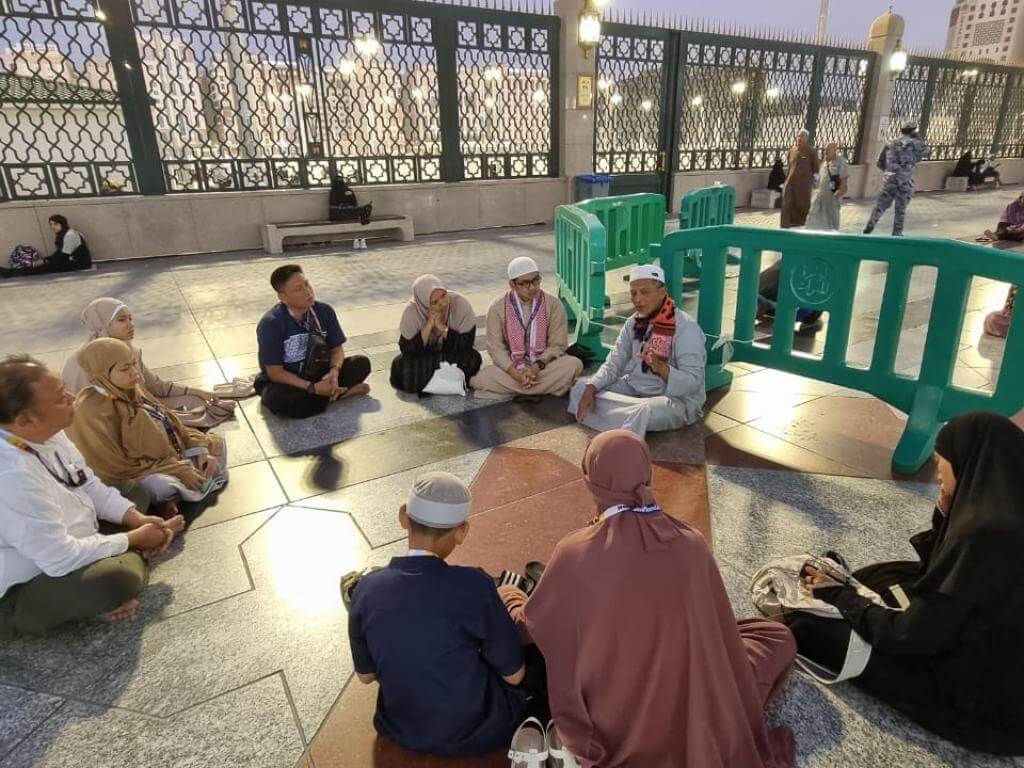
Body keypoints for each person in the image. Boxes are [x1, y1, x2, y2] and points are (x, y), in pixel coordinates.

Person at [499, 430, 796, 767]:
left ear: (591, 481)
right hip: (697, 691)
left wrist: (510, 594)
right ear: (648, 472)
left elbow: (532, 625)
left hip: (618, 708)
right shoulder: (690, 541)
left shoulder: (575, 553)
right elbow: (717, 627)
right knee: (776, 635)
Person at [787, 412, 1024, 755]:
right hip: (983, 652)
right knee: (888, 575)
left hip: (983, 706)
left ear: (968, 464)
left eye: (943, 462)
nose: (939, 472)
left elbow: (907, 636)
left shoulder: (984, 533)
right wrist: (944, 514)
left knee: (807, 626)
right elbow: (936, 572)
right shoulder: (1006, 504)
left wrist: (840, 596)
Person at [0, 355, 182, 638]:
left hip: (70, 534)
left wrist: (137, 519)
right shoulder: (11, 475)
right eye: (61, 397)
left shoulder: (45, 433)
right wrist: (135, 538)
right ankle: (116, 572)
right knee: (118, 580)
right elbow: (59, 558)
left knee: (134, 492)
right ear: (26, 420)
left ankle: (122, 555)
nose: (72, 397)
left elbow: (88, 484)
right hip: (28, 581)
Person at [347, 471, 527, 757]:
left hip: (399, 727)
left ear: (404, 517)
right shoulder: (474, 584)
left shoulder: (365, 589)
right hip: (479, 730)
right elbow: (515, 675)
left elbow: (366, 676)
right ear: (461, 531)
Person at [66, 338, 228, 508]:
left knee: (217, 448)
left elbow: (171, 423)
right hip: (143, 473)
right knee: (160, 487)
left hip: (171, 457)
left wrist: (199, 452)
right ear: (103, 374)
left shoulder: (130, 388)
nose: (135, 372)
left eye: (134, 364)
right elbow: (116, 468)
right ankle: (186, 486)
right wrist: (177, 469)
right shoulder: (90, 411)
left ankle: (190, 484)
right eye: (125, 368)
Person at [568, 264, 706, 437]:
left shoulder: (686, 327)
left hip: (673, 399)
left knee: (644, 410)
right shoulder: (633, 323)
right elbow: (613, 363)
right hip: (634, 389)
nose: (638, 299)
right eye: (634, 293)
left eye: (645, 292)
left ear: (662, 291)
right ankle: (626, 423)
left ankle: (619, 421)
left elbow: (693, 383)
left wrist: (662, 368)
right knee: (581, 389)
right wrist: (592, 387)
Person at [62, 297, 234, 428]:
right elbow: (105, 407)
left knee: (198, 402)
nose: (130, 325)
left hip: (141, 406)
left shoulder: (129, 351)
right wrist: (153, 412)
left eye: (130, 318)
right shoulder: (87, 362)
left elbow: (155, 386)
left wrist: (199, 391)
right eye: (122, 320)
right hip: (114, 421)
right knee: (176, 420)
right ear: (102, 325)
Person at [255, 265, 371, 418]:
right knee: (278, 399)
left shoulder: (324, 311)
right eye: (298, 289)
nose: (308, 291)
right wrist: (312, 388)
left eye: (307, 284)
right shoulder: (271, 323)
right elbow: (275, 373)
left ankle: (326, 394)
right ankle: (337, 395)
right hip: (288, 381)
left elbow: (337, 350)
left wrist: (333, 372)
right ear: (282, 297)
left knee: (361, 363)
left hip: (319, 373)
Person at [470, 257, 583, 398]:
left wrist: (535, 368)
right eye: (525, 283)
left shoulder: (553, 304)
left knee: (574, 364)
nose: (532, 287)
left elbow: (557, 344)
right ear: (512, 284)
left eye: (536, 280)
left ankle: (521, 389)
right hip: (512, 369)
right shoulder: (497, 308)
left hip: (543, 366)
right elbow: (496, 348)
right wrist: (516, 375)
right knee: (483, 377)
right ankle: (547, 387)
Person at [389, 275, 481, 395]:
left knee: (473, 358)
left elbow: (466, 343)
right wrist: (429, 325)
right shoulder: (412, 312)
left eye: (443, 295)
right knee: (401, 365)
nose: (443, 303)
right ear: (424, 303)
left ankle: (430, 384)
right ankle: (446, 383)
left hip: (450, 356)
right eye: (434, 302)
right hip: (424, 358)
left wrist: (441, 327)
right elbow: (407, 350)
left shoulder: (460, 303)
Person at [864, 122, 930, 237]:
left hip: (890, 180)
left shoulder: (891, 143)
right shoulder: (916, 144)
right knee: (900, 209)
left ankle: (871, 224)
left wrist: (890, 170)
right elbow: (927, 153)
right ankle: (897, 232)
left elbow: (879, 163)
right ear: (913, 131)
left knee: (881, 205)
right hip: (904, 181)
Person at [780, 129, 820, 228]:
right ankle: (784, 225)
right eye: (798, 136)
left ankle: (800, 223)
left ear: (807, 138)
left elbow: (816, 169)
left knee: (802, 204)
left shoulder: (811, 151)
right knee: (786, 203)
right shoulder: (792, 150)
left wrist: (815, 185)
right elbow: (789, 167)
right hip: (790, 183)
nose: (799, 138)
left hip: (804, 185)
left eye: (802, 136)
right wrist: (785, 182)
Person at [806, 142, 849, 231]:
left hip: (832, 198)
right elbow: (819, 179)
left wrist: (837, 195)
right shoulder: (824, 162)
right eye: (825, 150)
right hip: (820, 197)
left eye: (828, 150)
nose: (826, 152)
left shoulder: (841, 162)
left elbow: (844, 182)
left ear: (835, 150)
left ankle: (832, 238)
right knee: (813, 219)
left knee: (832, 222)